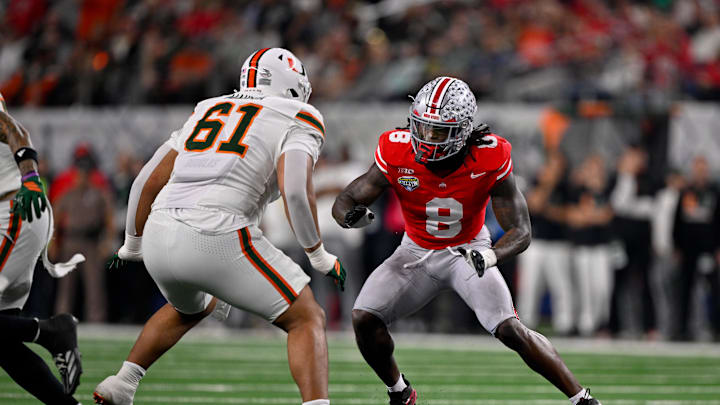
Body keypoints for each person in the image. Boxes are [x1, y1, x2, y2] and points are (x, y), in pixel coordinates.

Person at [93, 48, 346, 405]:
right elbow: (295, 191)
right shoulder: (298, 114)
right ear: (293, 85)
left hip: (158, 232)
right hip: (216, 231)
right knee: (306, 316)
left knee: (193, 307)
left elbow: (145, 180)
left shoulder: (208, 108)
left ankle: (122, 382)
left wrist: (132, 244)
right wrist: (317, 255)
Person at [332, 77, 601, 405]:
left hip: (468, 250)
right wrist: (349, 215)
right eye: (423, 127)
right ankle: (399, 391)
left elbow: (521, 230)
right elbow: (346, 199)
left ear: (462, 131)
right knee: (364, 317)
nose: (427, 139)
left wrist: (489, 256)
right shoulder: (397, 148)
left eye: (438, 132)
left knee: (510, 330)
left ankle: (582, 399)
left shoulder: (490, 155)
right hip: (415, 252)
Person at [0, 94, 83, 404]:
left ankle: (51, 331)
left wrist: (32, 175)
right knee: (4, 341)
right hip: (12, 216)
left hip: (14, 209)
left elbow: (12, 129)